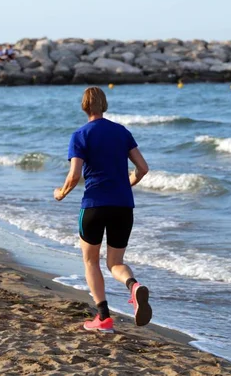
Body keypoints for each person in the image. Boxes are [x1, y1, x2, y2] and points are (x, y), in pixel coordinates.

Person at [54, 87, 152, 333]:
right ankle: (133, 285)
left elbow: (74, 175)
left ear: (84, 107)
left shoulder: (80, 135)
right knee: (115, 262)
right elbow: (143, 167)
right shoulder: (121, 132)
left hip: (95, 205)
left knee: (90, 261)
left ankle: (104, 318)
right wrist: (129, 182)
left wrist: (61, 193)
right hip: (122, 206)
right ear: (104, 105)